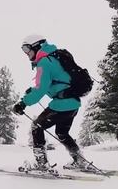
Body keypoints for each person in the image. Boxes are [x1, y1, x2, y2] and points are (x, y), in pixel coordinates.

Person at [12, 34, 90, 173]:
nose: (26, 53)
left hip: (62, 105)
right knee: (62, 132)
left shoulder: (44, 62)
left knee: (37, 126)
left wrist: (23, 103)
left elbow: (40, 90)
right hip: (73, 104)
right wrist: (34, 90)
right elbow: (57, 84)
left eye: (27, 49)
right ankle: (79, 161)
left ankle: (41, 163)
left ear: (37, 46)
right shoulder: (54, 58)